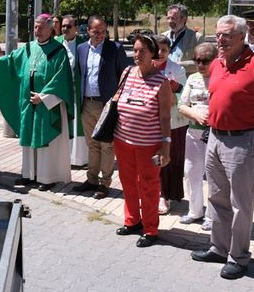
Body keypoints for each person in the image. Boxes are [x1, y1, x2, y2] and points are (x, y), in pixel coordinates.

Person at [191, 15, 254, 280]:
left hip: (243, 141)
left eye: (227, 35)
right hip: (215, 138)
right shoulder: (217, 64)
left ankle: (238, 257)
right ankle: (219, 247)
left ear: (241, 36)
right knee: (216, 197)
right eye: (218, 34)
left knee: (241, 203)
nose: (220, 39)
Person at [0, 14, 73, 192]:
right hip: (29, 102)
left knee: (45, 142)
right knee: (29, 138)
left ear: (51, 29)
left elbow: (61, 79)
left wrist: (44, 98)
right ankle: (30, 175)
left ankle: (47, 177)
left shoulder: (58, 51)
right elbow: (10, 61)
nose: (37, 31)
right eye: (35, 27)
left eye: (41, 27)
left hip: (46, 104)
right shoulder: (29, 48)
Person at [112, 33, 172, 248]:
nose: (137, 55)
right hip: (122, 140)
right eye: (135, 50)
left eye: (142, 51)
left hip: (150, 145)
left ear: (152, 53)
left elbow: (165, 117)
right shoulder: (127, 72)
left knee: (148, 187)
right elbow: (117, 100)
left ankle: (151, 229)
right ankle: (132, 221)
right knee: (128, 184)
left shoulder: (162, 82)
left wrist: (166, 145)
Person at [73, 15, 128, 199]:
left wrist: (117, 101)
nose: (100, 35)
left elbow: (124, 75)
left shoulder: (115, 48)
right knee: (92, 144)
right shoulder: (81, 48)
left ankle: (105, 184)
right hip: (87, 103)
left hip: (107, 105)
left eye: (103, 31)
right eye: (96, 32)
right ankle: (91, 179)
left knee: (107, 146)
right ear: (88, 31)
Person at [177, 43, 217, 230]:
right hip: (193, 133)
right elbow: (182, 105)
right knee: (191, 171)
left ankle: (211, 215)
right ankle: (195, 211)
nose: (200, 64)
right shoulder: (192, 78)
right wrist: (195, 115)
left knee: (213, 176)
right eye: (197, 60)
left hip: (215, 135)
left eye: (205, 60)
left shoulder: (220, 77)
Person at [153, 34, 188, 214]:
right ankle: (152, 193)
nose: (160, 53)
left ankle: (165, 196)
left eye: (164, 50)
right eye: (157, 48)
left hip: (174, 123)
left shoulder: (177, 69)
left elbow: (179, 98)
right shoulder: (144, 67)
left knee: (169, 160)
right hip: (150, 123)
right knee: (151, 160)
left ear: (169, 51)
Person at [55, 14, 88, 168]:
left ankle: (79, 159)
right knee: (63, 123)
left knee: (78, 124)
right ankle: (64, 158)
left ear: (76, 28)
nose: (65, 29)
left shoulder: (84, 44)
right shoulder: (55, 44)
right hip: (60, 92)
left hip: (78, 91)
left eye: (69, 26)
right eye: (63, 26)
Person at [163, 3, 202, 74]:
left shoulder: (197, 38)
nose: (170, 21)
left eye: (173, 18)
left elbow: (202, 62)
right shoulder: (163, 36)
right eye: (168, 18)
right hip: (165, 80)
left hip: (184, 81)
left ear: (184, 19)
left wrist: (176, 65)